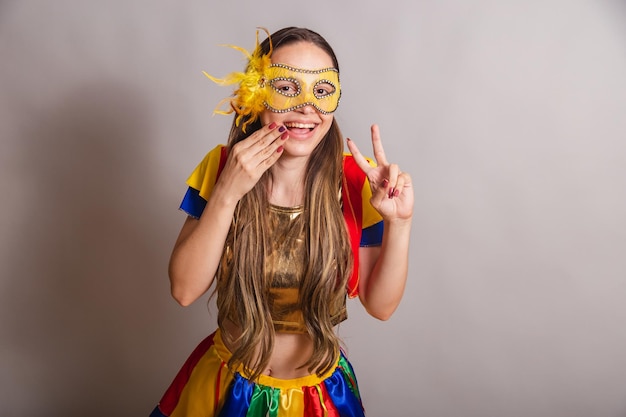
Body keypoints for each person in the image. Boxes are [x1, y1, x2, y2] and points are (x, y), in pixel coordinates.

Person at [150, 26, 413, 417]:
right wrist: (227, 192)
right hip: (228, 390)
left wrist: (400, 223)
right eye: (287, 88)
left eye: (321, 91)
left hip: (319, 400)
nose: (306, 107)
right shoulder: (221, 166)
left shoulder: (357, 183)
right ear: (256, 94)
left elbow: (381, 307)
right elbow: (185, 289)